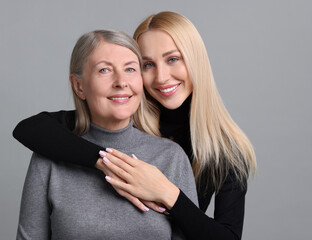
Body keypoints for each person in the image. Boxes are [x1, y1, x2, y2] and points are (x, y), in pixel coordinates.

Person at [14, 11, 257, 240]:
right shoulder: (120, 113)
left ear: (196, 62)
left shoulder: (220, 151)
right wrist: (105, 162)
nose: (161, 77)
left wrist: (168, 193)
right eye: (147, 65)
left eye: (173, 59)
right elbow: (30, 128)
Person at [16, 29, 198, 240]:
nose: (121, 82)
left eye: (130, 69)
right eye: (104, 70)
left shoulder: (171, 157)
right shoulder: (48, 158)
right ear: (79, 86)